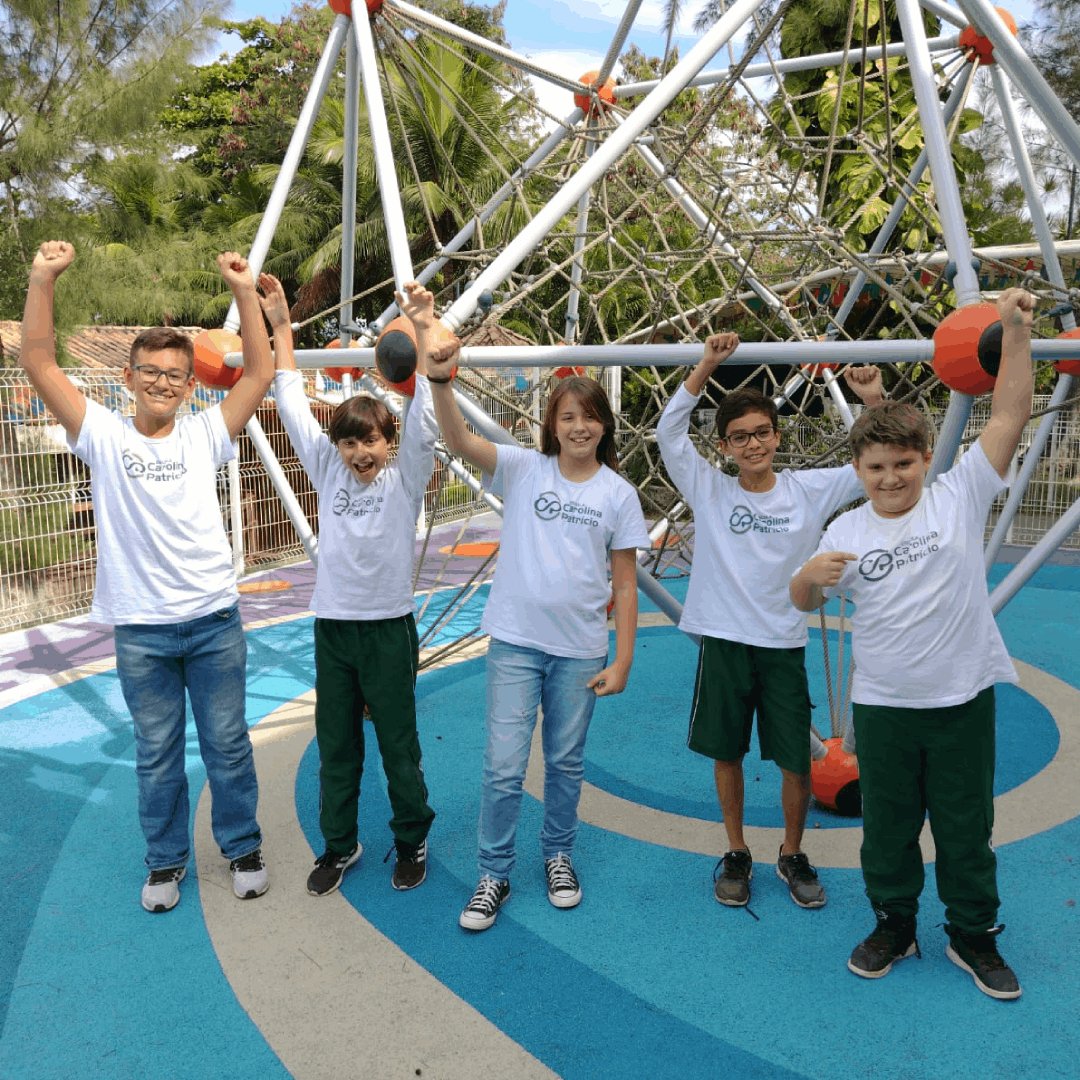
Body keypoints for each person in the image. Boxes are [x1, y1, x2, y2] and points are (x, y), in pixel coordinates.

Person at [789, 289, 1034, 1000]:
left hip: (960, 699)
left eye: (902, 464)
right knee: (887, 829)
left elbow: (1010, 413)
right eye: (876, 469)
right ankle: (895, 924)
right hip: (884, 707)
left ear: (925, 459)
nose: (891, 478)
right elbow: (802, 602)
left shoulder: (959, 497)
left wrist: (1016, 331)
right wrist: (805, 579)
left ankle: (972, 933)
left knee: (965, 827)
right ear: (858, 473)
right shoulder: (845, 531)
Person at [20, 241, 274, 913]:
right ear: (127, 377)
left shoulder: (205, 434)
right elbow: (38, 361)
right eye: (151, 372)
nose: (162, 382)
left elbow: (259, 371)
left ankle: (242, 846)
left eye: (175, 375)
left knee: (227, 745)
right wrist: (42, 278)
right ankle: (165, 860)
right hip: (142, 631)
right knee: (157, 753)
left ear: (191, 386)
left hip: (214, 622)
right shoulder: (103, 435)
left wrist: (243, 292)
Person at [400, 286, 650, 931]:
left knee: (565, 764)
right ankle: (494, 872)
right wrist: (440, 378)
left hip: (579, 651)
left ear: (604, 425)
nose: (578, 427)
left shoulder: (619, 494)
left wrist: (623, 658)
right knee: (504, 766)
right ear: (552, 425)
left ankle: (558, 855)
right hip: (515, 642)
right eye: (567, 417)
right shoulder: (524, 468)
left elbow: (625, 585)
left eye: (589, 417)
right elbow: (456, 439)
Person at [656, 335, 884, 910]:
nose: (753, 443)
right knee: (726, 753)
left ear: (777, 437)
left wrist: (873, 402)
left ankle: (791, 852)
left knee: (795, 760)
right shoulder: (710, 489)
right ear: (725, 446)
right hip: (725, 642)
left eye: (761, 432)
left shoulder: (808, 490)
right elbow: (668, 432)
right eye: (740, 436)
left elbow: (875, 465)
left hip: (783, 643)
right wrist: (706, 364)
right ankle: (736, 850)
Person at [263, 276, 437, 896]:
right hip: (334, 631)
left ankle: (411, 839)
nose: (360, 452)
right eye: (349, 442)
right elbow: (289, 400)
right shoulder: (328, 471)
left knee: (398, 746)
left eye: (371, 440)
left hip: (388, 630)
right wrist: (282, 327)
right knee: (336, 747)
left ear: (388, 442)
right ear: (335, 446)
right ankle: (340, 845)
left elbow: (424, 418)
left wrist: (422, 327)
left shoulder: (405, 479)